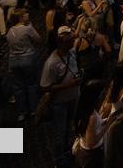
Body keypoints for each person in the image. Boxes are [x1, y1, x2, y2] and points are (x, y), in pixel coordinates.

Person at [41, 26, 82, 162]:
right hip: (59, 102)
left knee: (68, 127)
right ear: (62, 43)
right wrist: (68, 85)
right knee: (59, 131)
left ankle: (66, 150)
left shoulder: (71, 53)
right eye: (70, 41)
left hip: (73, 97)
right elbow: (45, 87)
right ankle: (58, 158)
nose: (73, 42)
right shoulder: (51, 63)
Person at [7, 9, 43, 123]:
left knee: (18, 87)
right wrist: (31, 27)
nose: (28, 15)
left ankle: (22, 112)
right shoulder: (27, 28)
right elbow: (39, 40)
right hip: (27, 59)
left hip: (13, 61)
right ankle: (33, 109)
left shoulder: (9, 31)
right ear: (21, 17)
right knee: (31, 84)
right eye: (26, 14)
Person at [71, 79, 110, 168]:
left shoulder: (82, 107)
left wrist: (102, 122)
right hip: (91, 156)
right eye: (101, 93)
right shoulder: (91, 117)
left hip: (84, 152)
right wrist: (107, 125)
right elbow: (90, 143)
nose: (103, 95)